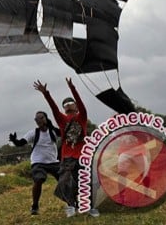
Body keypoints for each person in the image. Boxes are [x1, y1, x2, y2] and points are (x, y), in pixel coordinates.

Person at [34, 78, 99, 218]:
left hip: (83, 156)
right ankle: (71, 205)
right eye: (65, 104)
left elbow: (82, 105)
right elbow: (53, 108)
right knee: (64, 182)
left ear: (75, 106)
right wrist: (46, 94)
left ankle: (91, 207)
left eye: (71, 103)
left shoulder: (82, 117)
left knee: (88, 181)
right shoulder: (62, 119)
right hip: (67, 157)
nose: (68, 105)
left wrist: (73, 88)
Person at [9, 111, 60, 215]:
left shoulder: (52, 131)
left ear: (46, 118)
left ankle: (71, 202)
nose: (39, 121)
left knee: (64, 179)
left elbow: (62, 133)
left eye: (41, 118)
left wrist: (50, 125)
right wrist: (15, 141)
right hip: (38, 162)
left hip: (53, 161)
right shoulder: (33, 133)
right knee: (39, 178)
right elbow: (21, 142)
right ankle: (35, 205)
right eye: (37, 119)